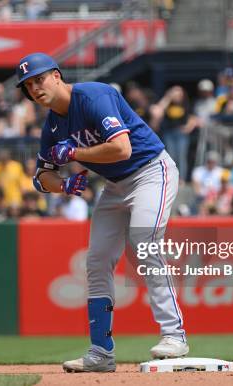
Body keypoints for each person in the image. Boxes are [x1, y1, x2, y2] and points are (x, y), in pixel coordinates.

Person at [16, 52, 186, 373]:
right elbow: (41, 177)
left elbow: (123, 148)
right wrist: (64, 185)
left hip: (151, 170)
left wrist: (76, 152)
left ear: (56, 76)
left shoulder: (94, 95)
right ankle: (101, 352)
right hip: (115, 185)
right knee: (96, 262)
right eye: (28, 85)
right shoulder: (52, 125)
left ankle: (174, 334)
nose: (35, 88)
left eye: (39, 79)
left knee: (144, 243)